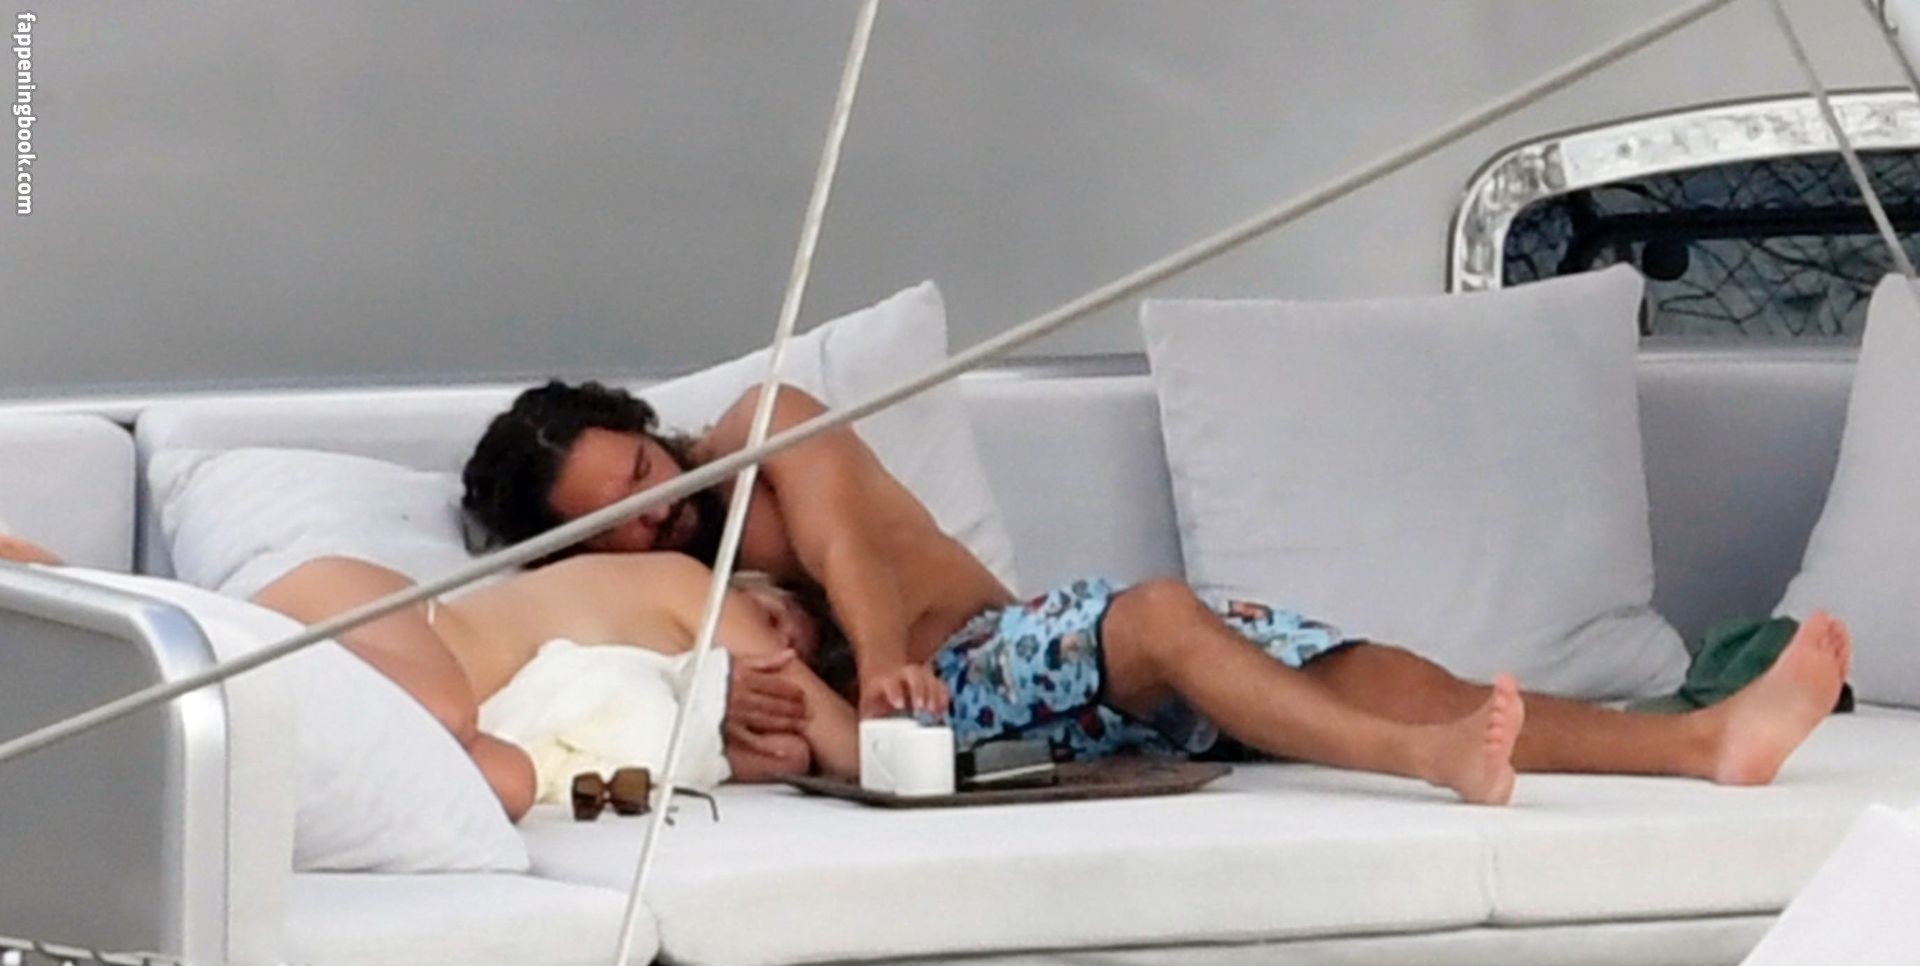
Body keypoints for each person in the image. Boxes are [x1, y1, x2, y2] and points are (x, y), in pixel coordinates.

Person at [460, 380, 1854, 806]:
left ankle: (1700, 741)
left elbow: (848, 547)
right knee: (1170, 614)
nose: (661, 509)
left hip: (991, 652)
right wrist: (801, 719)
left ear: (644, 421)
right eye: (617, 522)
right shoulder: (665, 586)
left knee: (1386, 675)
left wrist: (876, 662)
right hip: (971, 715)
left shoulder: (762, 428)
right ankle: (1424, 765)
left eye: (643, 472)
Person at [0, 532, 843, 819]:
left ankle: (84, 635)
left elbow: (796, 752)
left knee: (501, 784)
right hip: (389, 619)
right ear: (754, 589)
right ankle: (68, 583)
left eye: (801, 646)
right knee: (440, 711)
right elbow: (845, 743)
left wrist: (713, 721)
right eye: (778, 621)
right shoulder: (687, 584)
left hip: (424, 703)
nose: (776, 650)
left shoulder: (690, 692)